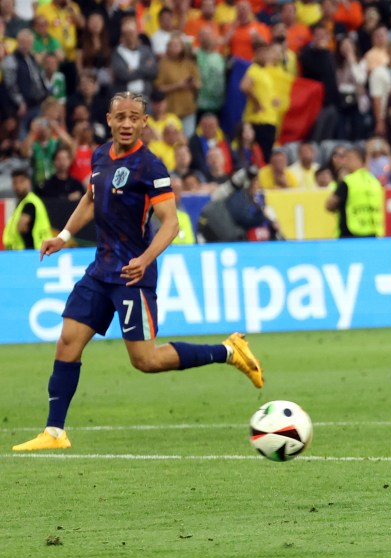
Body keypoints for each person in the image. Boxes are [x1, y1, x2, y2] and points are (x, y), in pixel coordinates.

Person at [11, 92, 264, 452]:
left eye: (134, 117)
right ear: (109, 120)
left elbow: (171, 223)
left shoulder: (151, 166)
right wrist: (65, 236)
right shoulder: (100, 156)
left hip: (132, 274)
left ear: (145, 123)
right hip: (101, 269)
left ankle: (228, 350)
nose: (127, 123)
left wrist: (145, 259)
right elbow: (91, 197)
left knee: (145, 361)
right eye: (121, 117)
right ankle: (54, 432)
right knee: (67, 341)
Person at [324, 147, 385, 239]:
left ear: (360, 160)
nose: (345, 162)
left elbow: (329, 205)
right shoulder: (374, 182)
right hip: (373, 234)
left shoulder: (348, 181)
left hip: (350, 235)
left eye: (349, 159)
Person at [2, 167, 52, 250]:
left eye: (21, 182)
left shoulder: (30, 203)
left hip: (29, 251)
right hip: (34, 251)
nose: (18, 186)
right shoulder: (25, 202)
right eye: (15, 182)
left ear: (28, 182)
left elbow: (22, 226)